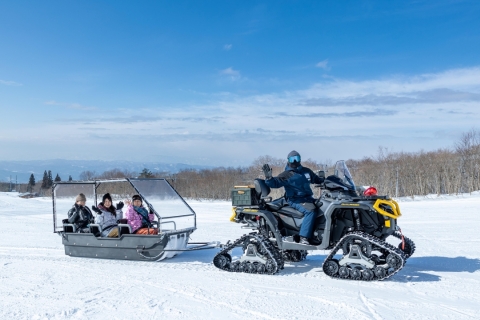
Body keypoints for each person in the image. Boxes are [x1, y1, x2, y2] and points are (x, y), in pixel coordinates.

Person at [262, 150, 324, 245]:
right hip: (295, 199)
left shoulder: (306, 171)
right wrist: (269, 178)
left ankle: (319, 233)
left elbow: (316, 179)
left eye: (297, 158)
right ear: (288, 160)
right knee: (310, 211)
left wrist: (326, 181)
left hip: (308, 198)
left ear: (300, 159)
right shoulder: (287, 174)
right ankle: (304, 237)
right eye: (292, 159)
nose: (294, 161)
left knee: (323, 206)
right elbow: (275, 183)